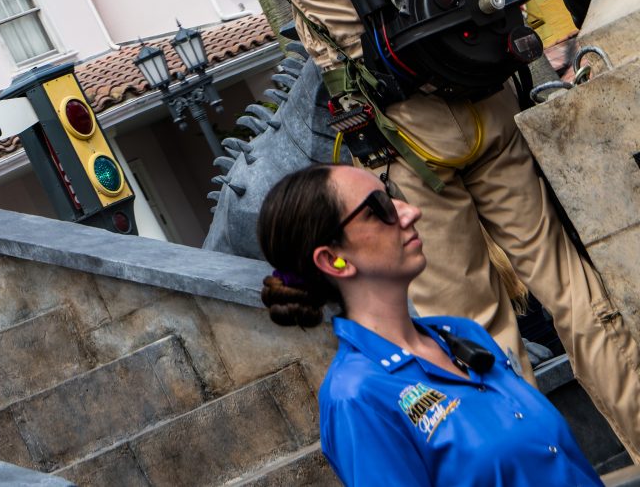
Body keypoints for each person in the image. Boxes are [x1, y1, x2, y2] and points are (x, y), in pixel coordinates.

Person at [72, 0, 640, 451]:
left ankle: (532, 466)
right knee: (575, 292)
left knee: (477, 328)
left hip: (411, 138)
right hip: (487, 97)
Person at [259, 162, 605, 485]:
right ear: (334, 260)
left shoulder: (462, 334)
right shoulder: (355, 396)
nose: (410, 211)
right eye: (378, 208)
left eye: (392, 194)